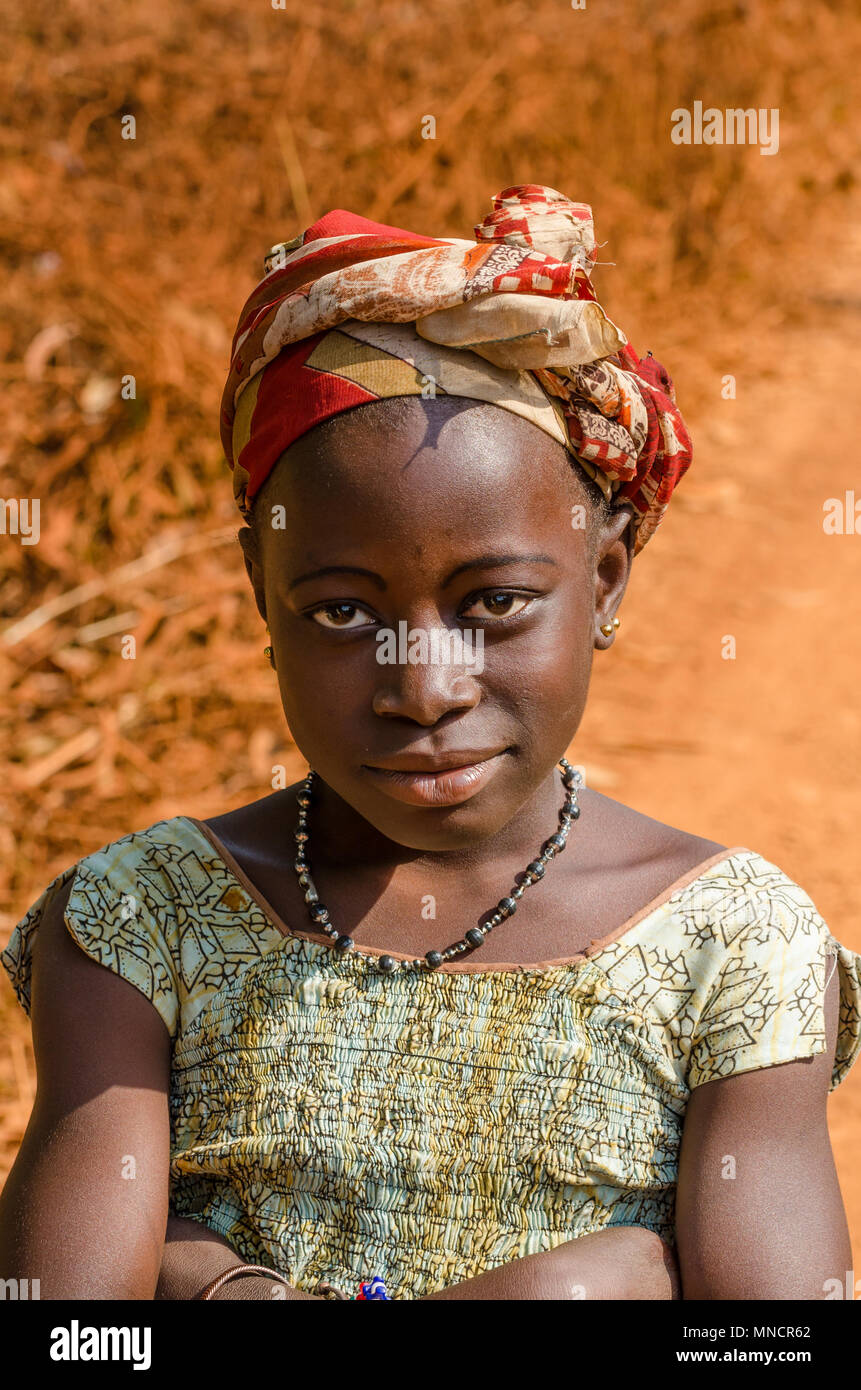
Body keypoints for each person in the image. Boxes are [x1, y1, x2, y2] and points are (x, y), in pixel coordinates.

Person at [1, 185, 859, 1301]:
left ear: (603, 580)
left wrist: (198, 1279)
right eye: (345, 612)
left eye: (494, 601)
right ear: (262, 594)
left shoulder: (731, 951)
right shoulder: (141, 924)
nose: (423, 686)